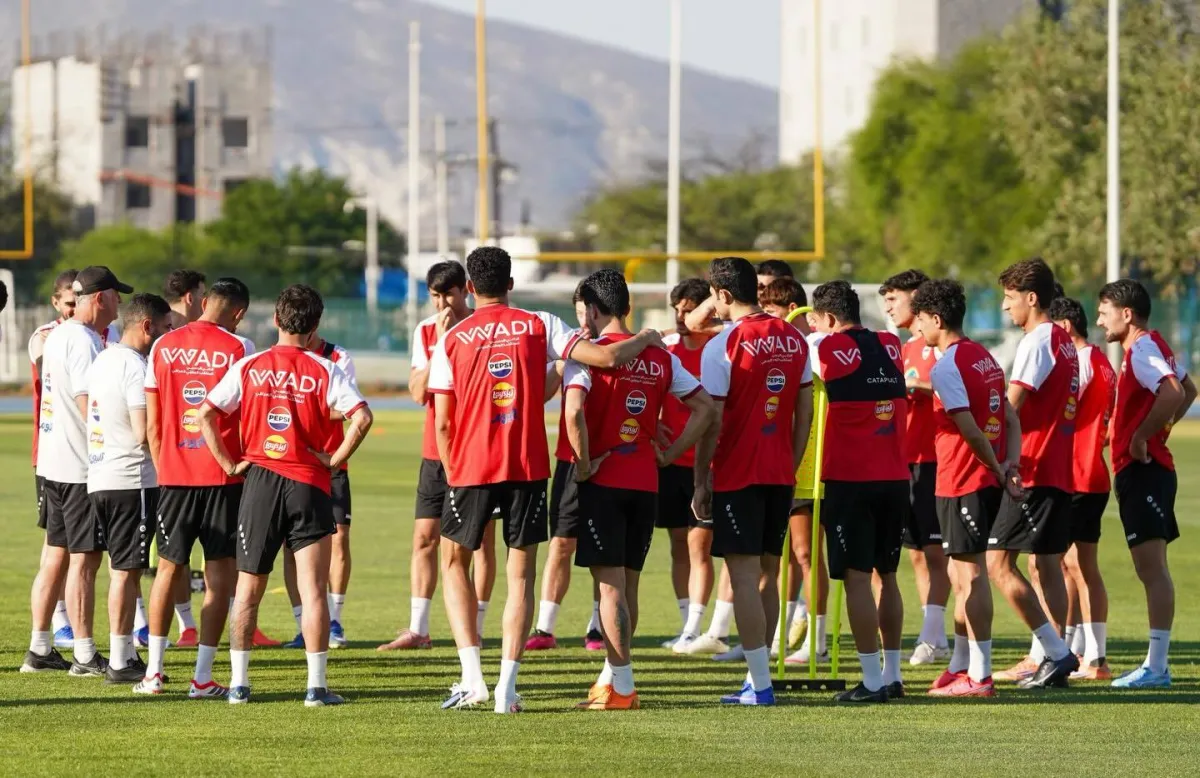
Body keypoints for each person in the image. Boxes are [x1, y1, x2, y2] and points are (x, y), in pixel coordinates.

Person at [427, 246, 665, 713]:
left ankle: (472, 678)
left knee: (454, 563)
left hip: (471, 468)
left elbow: (443, 422)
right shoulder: (541, 323)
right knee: (520, 576)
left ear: (470, 288)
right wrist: (646, 337)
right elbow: (604, 357)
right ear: (511, 284)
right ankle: (507, 689)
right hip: (528, 466)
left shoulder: (452, 337)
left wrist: (454, 473)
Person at [198, 284, 372, 706]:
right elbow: (362, 417)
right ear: (315, 326)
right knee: (312, 590)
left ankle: (239, 685)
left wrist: (228, 464)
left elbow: (206, 413)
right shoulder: (325, 368)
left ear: (276, 320)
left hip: (260, 481)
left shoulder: (250, 365)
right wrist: (334, 460)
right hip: (309, 483)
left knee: (248, 587)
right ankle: (316, 687)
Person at [565, 270, 715, 709]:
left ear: (593, 310)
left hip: (605, 480)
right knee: (628, 584)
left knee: (609, 588)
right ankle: (611, 678)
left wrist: (583, 465)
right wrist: (671, 455)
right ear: (627, 307)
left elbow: (573, 414)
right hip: (645, 481)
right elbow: (705, 409)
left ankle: (624, 688)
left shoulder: (589, 354)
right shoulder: (660, 357)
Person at [692, 257, 813, 706]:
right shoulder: (794, 337)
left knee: (743, 575)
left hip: (738, 473)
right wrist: (791, 463)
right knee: (768, 574)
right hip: (779, 473)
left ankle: (760, 685)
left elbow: (712, 420)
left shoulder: (724, 344)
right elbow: (805, 411)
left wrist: (701, 479)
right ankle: (757, 678)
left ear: (723, 294)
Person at [136, 277, 257, 697]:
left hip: (173, 477)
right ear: (239, 313)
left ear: (204, 303)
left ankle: (153, 674)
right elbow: (247, 414)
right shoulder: (240, 348)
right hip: (223, 477)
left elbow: (153, 424)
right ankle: (202, 677)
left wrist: (165, 467)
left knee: (167, 569)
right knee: (220, 575)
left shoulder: (163, 346)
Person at [378, 261, 498, 652]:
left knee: (481, 542)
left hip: (478, 451)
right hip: (436, 451)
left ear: (466, 290)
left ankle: (476, 627)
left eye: (449, 294)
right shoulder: (427, 331)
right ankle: (418, 629)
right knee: (424, 538)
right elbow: (417, 392)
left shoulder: (484, 328)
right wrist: (441, 345)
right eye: (435, 296)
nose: (442, 303)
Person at [912, 280, 1023, 698]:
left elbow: (972, 432)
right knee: (960, 575)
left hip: (964, 480)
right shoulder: (983, 357)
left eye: (921, 320)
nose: (918, 327)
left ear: (937, 319)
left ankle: (980, 675)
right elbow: (1010, 418)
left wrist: (998, 468)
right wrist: (1010, 465)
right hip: (976, 479)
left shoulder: (947, 367)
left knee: (971, 576)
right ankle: (961, 665)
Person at [23, 266, 129, 676]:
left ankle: (39, 648)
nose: (120, 303)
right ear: (100, 298)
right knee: (85, 562)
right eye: (116, 296)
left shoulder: (61, 334)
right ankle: (84, 655)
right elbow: (90, 405)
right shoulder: (84, 340)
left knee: (55, 555)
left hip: (54, 462)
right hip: (81, 468)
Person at [806, 280, 907, 703]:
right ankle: (893, 675)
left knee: (857, 579)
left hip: (851, 479)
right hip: (895, 477)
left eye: (816, 320)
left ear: (828, 318)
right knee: (888, 576)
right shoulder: (890, 343)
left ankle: (871, 681)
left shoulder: (822, 346)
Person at [1097, 280, 1196, 689]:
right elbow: (1188, 389)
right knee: (1149, 568)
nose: (1100, 320)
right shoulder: (1147, 347)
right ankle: (1156, 665)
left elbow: (1173, 391)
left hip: (1145, 472)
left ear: (1127, 314)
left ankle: (1157, 667)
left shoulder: (1142, 349)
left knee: (1152, 569)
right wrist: (1153, 430)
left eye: (1104, 312)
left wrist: (1143, 437)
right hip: (1143, 471)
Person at [991, 259, 1079, 689]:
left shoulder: (1039, 340)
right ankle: (1052, 657)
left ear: (1031, 298)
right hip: (1058, 466)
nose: (1005, 306)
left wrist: (989, 448)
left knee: (997, 563)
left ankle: (1055, 652)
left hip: (1033, 468)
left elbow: (1011, 405)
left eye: (1010, 297)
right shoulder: (1063, 340)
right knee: (1046, 563)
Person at [86, 293, 173, 683]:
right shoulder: (137, 367)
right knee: (126, 572)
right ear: (147, 326)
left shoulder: (103, 359)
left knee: (120, 569)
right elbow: (142, 432)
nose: (169, 335)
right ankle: (120, 661)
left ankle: (124, 654)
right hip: (131, 479)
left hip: (101, 476)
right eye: (166, 328)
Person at [878, 269, 951, 665]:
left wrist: (919, 389)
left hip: (935, 461)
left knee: (936, 552)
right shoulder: (904, 347)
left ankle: (934, 635)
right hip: (903, 462)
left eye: (894, 298)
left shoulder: (938, 345)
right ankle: (933, 636)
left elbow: (959, 389)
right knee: (917, 555)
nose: (888, 307)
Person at [760, 277, 831, 666]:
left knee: (807, 552)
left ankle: (816, 640)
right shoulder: (784, 350)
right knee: (786, 554)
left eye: (771, 311)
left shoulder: (814, 346)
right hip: (788, 460)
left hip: (813, 463)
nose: (766, 319)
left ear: (792, 310)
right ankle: (779, 634)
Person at [527, 283, 598, 653]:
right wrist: (559, 361)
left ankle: (598, 626)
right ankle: (545, 627)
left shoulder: (622, 349)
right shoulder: (567, 348)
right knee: (561, 541)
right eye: (579, 313)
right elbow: (540, 395)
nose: (584, 321)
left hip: (611, 459)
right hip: (570, 459)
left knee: (605, 548)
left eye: (589, 313)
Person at [1049, 296, 1116, 680]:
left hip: (1077, 474)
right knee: (1076, 564)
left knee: (1062, 564)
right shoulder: (1101, 362)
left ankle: (1084, 656)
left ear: (1065, 327)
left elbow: (1061, 405)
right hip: (1087, 472)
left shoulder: (1083, 361)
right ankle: (1086, 653)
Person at [282, 331, 359, 650]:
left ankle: (334, 621)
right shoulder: (282, 356)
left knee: (339, 538)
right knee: (291, 547)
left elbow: (349, 408)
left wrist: (302, 404)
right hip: (292, 463)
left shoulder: (338, 358)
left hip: (332, 463)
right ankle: (304, 624)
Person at [655, 278, 719, 653]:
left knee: (699, 545)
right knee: (678, 543)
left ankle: (697, 628)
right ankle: (686, 626)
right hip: (670, 461)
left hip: (706, 463)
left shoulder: (717, 350)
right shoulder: (668, 351)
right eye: (677, 309)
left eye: (689, 309)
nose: (681, 316)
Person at [157, 269, 219, 646]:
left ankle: (194, 628)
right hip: (170, 467)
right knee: (168, 558)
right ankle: (183, 624)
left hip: (190, 467)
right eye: (203, 293)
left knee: (198, 555)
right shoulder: (161, 337)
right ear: (192, 297)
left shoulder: (210, 340)